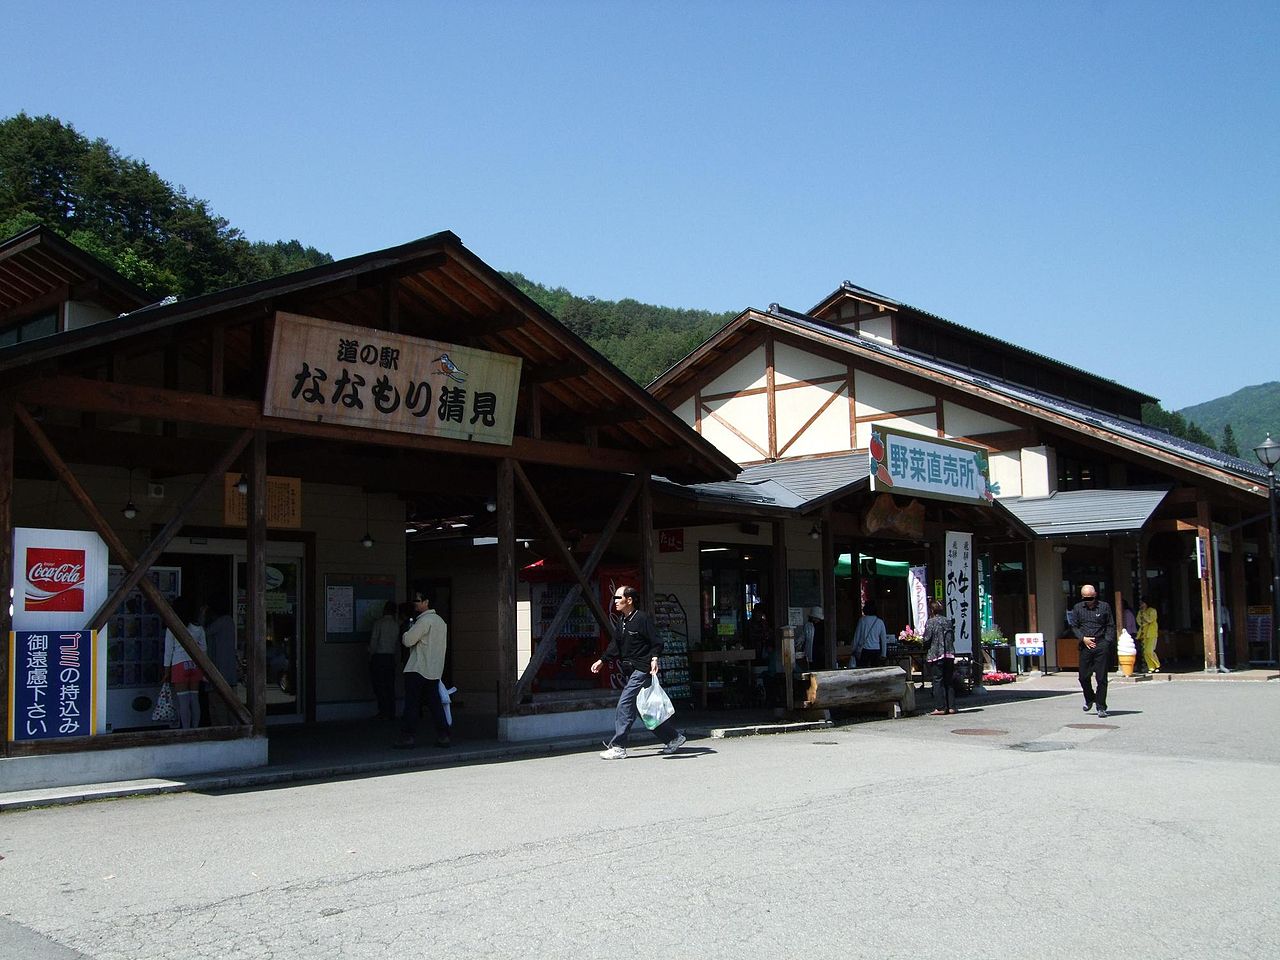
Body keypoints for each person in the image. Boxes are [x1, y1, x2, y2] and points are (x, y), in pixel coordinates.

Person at [592, 585, 685, 759]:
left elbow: (657, 641)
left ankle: (618, 746)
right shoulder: (623, 620)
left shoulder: (642, 619)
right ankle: (674, 737)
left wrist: (655, 658)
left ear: (629, 600)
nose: (615, 601)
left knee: (625, 703)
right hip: (630, 669)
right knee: (645, 710)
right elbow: (616, 644)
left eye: (618, 598)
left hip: (642, 669)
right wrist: (602, 660)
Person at [393, 590, 450, 748]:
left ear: (426, 602)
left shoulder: (423, 621)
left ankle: (407, 737)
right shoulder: (440, 622)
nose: (415, 603)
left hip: (417, 668)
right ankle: (443, 735)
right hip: (434, 670)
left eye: (417, 600)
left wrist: (405, 632)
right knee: (435, 704)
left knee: (412, 704)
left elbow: (408, 640)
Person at [1068, 584, 1115, 718]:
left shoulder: (1104, 606)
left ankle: (1101, 706)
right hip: (1085, 644)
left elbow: (1110, 625)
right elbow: (1074, 626)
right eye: (1086, 598)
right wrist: (1083, 638)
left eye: (1091, 598)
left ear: (1095, 595)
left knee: (1101, 678)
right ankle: (1090, 698)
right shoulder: (1077, 608)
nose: (1088, 601)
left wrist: (1107, 642)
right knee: (1083, 676)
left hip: (1101, 643)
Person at [163, 595, 207, 729]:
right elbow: (204, 649)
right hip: (195, 665)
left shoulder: (172, 628)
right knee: (195, 699)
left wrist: (166, 671)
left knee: (183, 701)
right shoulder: (198, 628)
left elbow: (168, 651)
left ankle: (186, 730)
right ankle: (195, 728)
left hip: (179, 664)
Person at [203, 596, 239, 727]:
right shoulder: (229, 622)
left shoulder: (221, 622)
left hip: (219, 675)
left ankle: (223, 733)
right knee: (230, 710)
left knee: (218, 709)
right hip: (228, 675)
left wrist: (202, 616)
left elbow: (202, 632)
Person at [923, 599, 958, 715]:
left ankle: (940, 707)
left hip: (936, 654)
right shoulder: (948, 621)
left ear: (932, 610)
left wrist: (923, 645)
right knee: (948, 680)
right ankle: (951, 707)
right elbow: (952, 637)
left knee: (937, 680)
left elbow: (927, 639)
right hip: (949, 653)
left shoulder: (930, 622)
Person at [368, 600, 400, 719]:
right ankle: (391, 711)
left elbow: (374, 641)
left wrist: (370, 654)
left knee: (379, 685)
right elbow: (397, 644)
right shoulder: (396, 624)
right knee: (390, 685)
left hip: (379, 657)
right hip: (390, 657)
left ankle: (383, 710)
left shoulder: (379, 623)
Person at [852, 601, 889, 668]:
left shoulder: (862, 620)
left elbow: (857, 636)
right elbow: (883, 639)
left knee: (862, 670)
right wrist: (884, 653)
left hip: (864, 650)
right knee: (875, 670)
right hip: (876, 650)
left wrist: (853, 649)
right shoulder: (880, 622)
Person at [1137, 598, 1160, 674]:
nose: (1142, 605)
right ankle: (1151, 667)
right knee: (1145, 652)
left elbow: (1150, 620)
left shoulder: (1152, 611)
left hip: (1152, 633)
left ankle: (1157, 665)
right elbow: (1139, 621)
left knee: (1150, 651)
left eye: (1143, 603)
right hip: (1144, 634)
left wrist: (1143, 614)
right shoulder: (1140, 612)